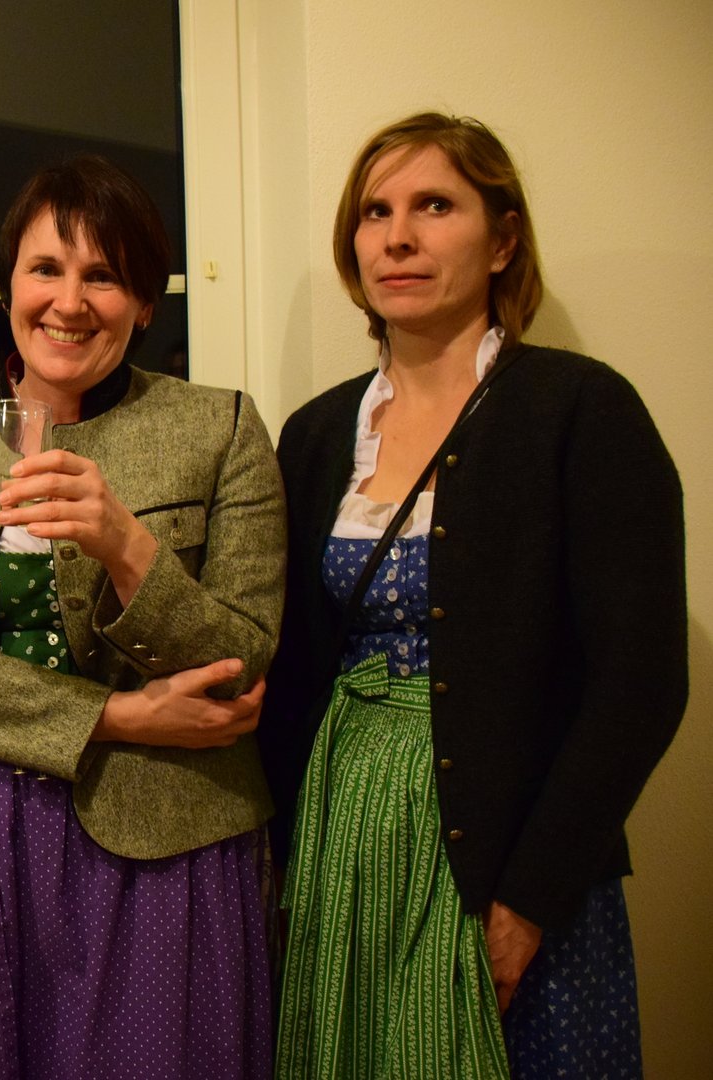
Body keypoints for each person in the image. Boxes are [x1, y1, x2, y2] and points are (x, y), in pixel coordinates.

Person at [264, 113, 686, 1080]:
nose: (397, 237)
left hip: (514, 861)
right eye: (375, 213)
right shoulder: (319, 434)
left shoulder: (580, 410)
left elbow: (640, 682)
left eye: (434, 206)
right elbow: (291, 672)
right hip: (347, 848)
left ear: (502, 241)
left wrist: (530, 899)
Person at [0, 154, 285, 1079]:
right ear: (8, 285)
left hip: (173, 840)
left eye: (103, 275)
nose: (69, 301)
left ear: (145, 302)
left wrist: (128, 547)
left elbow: (243, 659)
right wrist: (121, 715)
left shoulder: (219, 428)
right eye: (45, 269)